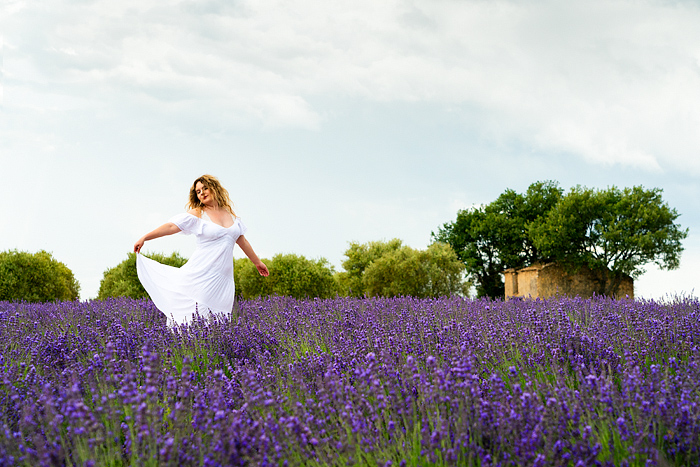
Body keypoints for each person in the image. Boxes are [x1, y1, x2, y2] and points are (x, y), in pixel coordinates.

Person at [134, 174, 269, 325]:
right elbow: (172, 226)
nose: (202, 192)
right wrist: (145, 237)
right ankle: (185, 344)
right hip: (201, 273)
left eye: (205, 188)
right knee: (199, 313)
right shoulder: (199, 213)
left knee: (218, 320)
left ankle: (213, 348)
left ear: (214, 188)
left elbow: (242, 240)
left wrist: (257, 262)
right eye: (198, 191)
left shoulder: (231, 215)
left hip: (223, 279)